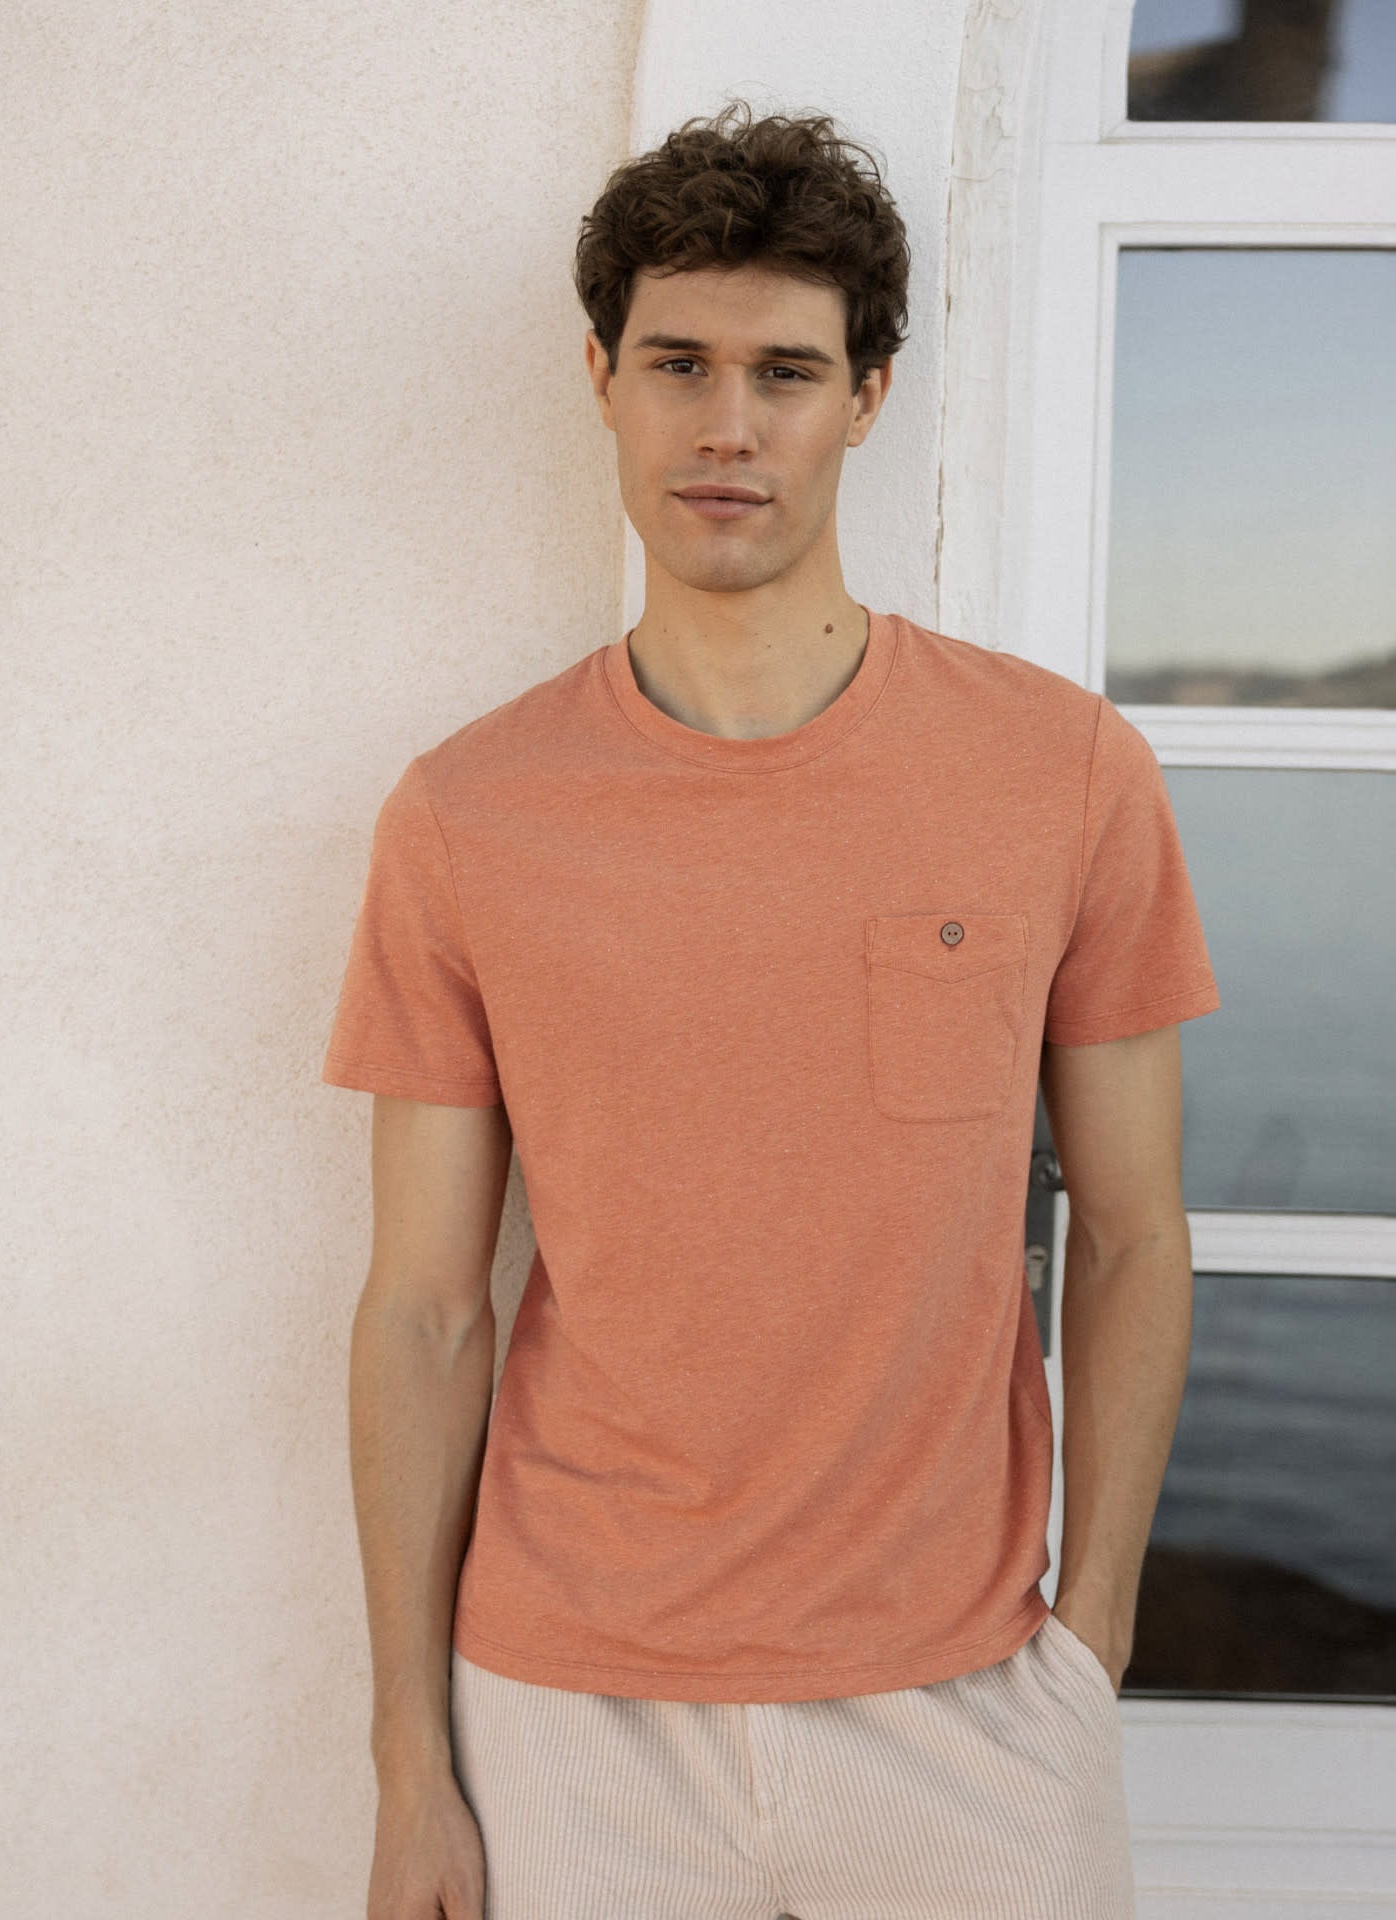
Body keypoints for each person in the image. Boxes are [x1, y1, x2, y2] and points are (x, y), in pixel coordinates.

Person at [323, 97, 1220, 1920]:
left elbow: (1135, 1234)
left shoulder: (1063, 773)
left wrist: (1094, 1636)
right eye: (679, 363)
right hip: (572, 1712)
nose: (727, 425)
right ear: (604, 379)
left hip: (971, 1700)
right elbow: (424, 1309)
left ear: (867, 398)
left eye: (787, 373)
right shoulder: (468, 816)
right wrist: (414, 1760)